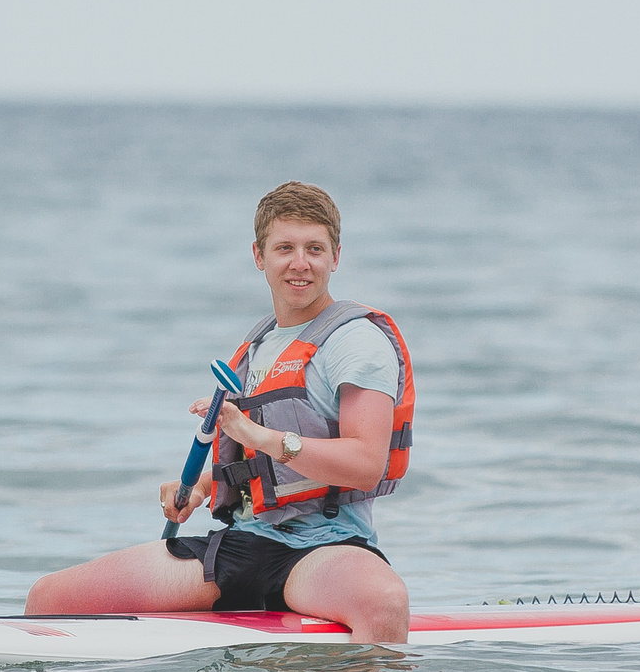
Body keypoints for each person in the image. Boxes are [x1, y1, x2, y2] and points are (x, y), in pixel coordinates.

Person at [25, 181, 416, 644]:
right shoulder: (256, 349)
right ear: (259, 256)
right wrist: (199, 490)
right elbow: (251, 469)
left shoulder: (356, 341)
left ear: (336, 256)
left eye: (315, 248)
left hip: (324, 550)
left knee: (384, 603)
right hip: (241, 545)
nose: (300, 263)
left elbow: (367, 465)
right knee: (49, 599)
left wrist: (262, 437)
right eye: (284, 248)